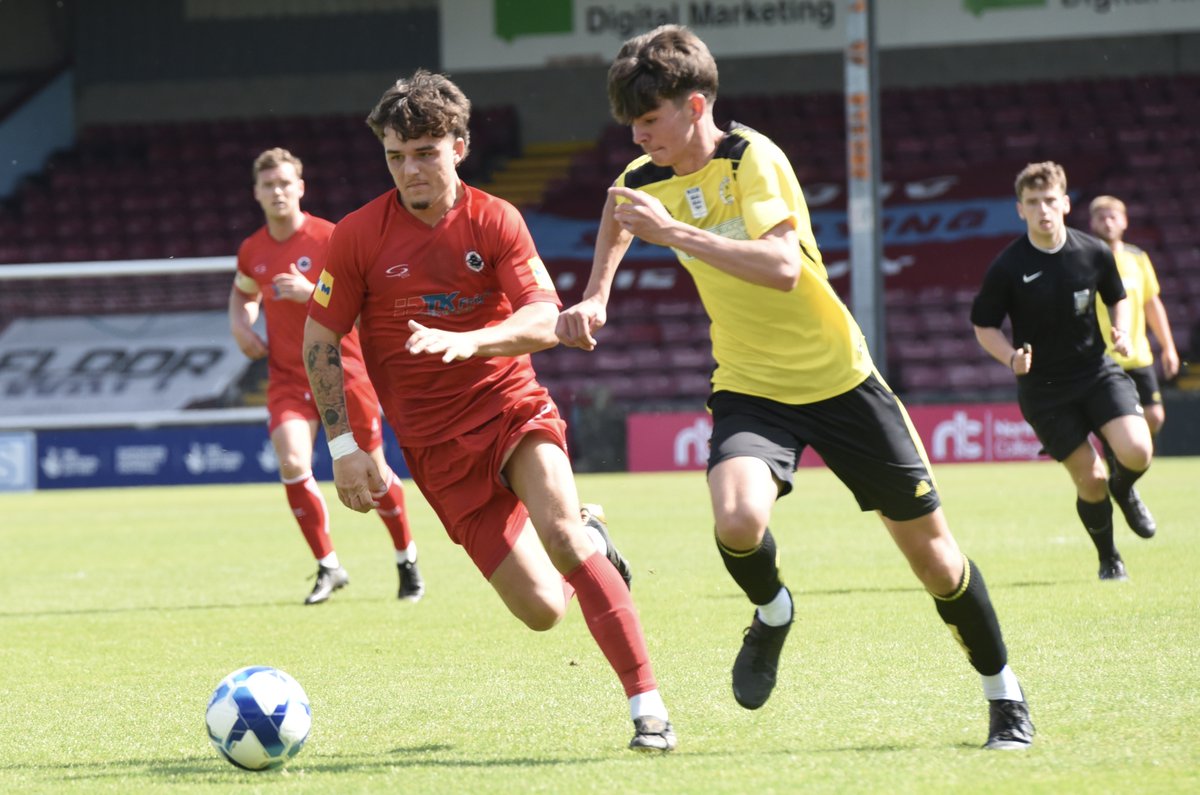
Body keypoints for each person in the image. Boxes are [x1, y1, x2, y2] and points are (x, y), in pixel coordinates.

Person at [557, 25, 1033, 751]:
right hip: (750, 385)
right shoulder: (643, 176)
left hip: (840, 379)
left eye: (648, 121)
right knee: (737, 521)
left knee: (935, 559)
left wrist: (676, 235)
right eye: (631, 124)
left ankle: (1006, 695)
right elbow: (620, 208)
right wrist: (596, 294)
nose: (638, 136)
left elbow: (782, 266)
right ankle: (773, 610)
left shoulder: (755, 160)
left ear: (694, 105)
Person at [302, 70, 676, 753]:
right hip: (436, 452)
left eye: (425, 152)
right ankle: (598, 545)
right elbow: (321, 337)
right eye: (395, 155)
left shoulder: (495, 218)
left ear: (460, 145)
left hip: (511, 408)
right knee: (540, 611)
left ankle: (647, 707)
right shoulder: (357, 236)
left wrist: (471, 340)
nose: (409, 169)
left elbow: (542, 318)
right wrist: (343, 445)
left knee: (559, 532)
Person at [230, 147, 424, 606]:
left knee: (375, 476)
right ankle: (328, 566)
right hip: (287, 380)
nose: (277, 191)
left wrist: (310, 292)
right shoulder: (252, 249)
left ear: (300, 187)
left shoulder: (332, 238)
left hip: (343, 374)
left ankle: (405, 556)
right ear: (256, 193)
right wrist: (241, 324)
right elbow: (244, 293)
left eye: (284, 183)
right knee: (294, 463)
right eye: (268, 185)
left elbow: (365, 307)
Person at [971, 163, 1157, 583]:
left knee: (1137, 452)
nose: (1043, 210)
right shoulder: (1007, 266)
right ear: (1020, 209)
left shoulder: (1093, 252)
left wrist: (1122, 330)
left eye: (1051, 200)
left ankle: (1124, 488)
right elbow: (984, 326)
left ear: (1066, 203)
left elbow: (1119, 297)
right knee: (1090, 479)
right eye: (1033, 203)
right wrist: (1009, 358)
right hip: (1044, 389)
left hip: (1096, 371)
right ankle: (1110, 558)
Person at [1089, 195, 1180, 439]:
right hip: (1102, 358)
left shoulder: (1137, 258)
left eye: (1112, 217)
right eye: (1101, 218)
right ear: (1092, 224)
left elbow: (1152, 304)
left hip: (1138, 356)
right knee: (1112, 419)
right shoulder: (1086, 259)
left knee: (1154, 417)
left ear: (1124, 222)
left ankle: (1128, 458)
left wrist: (1168, 347)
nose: (1107, 223)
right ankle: (1120, 461)